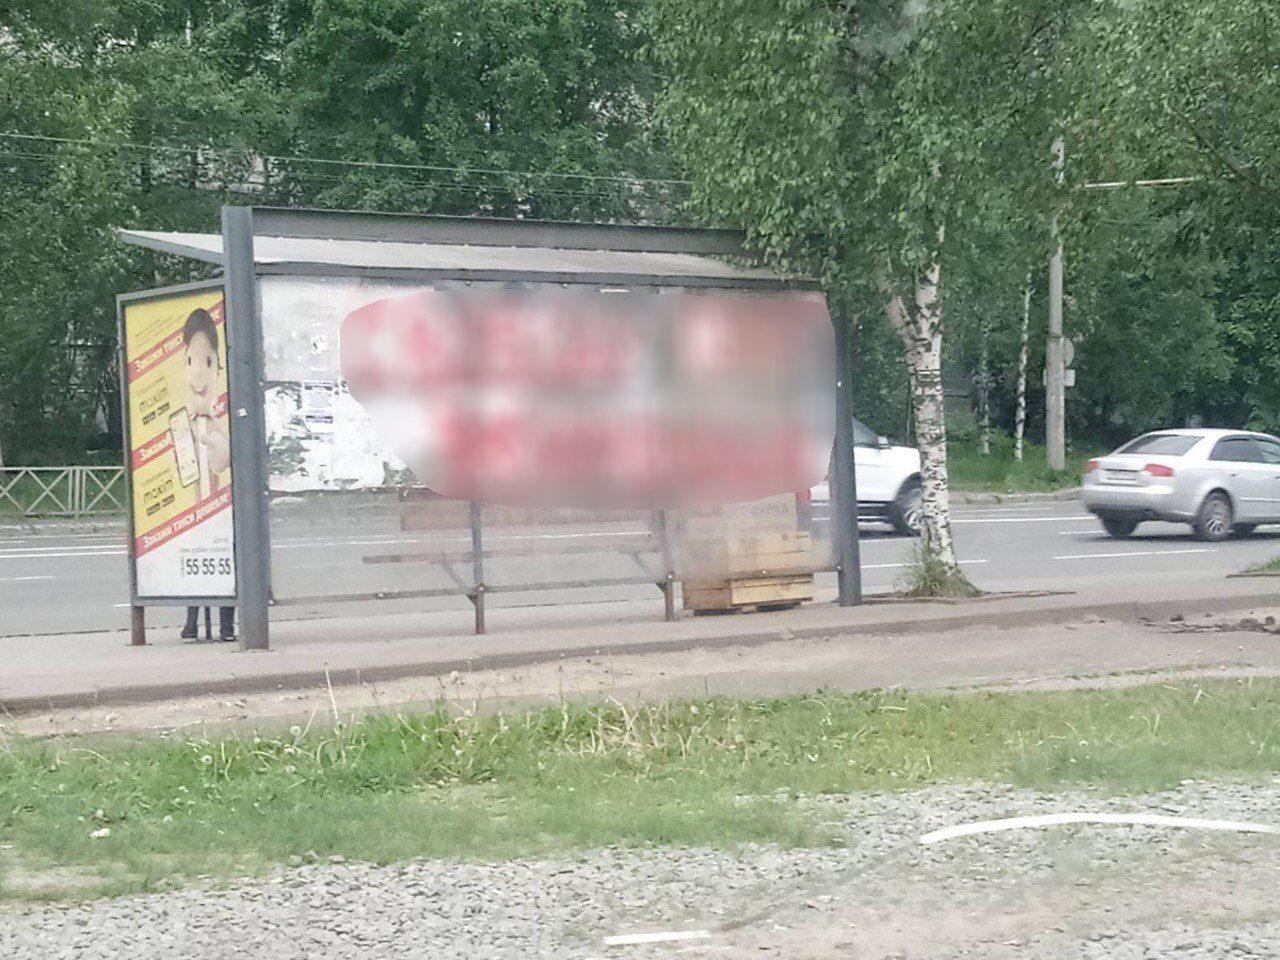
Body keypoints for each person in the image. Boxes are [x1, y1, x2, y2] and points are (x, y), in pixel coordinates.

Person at [177, 308, 235, 642]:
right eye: (191, 361)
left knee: (225, 564)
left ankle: (226, 626)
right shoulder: (180, 424)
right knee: (195, 565)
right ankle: (191, 623)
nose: (198, 375)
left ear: (218, 368)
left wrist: (216, 439)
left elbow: (222, 464)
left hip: (222, 511)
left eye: (208, 362)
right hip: (192, 513)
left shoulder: (221, 423)